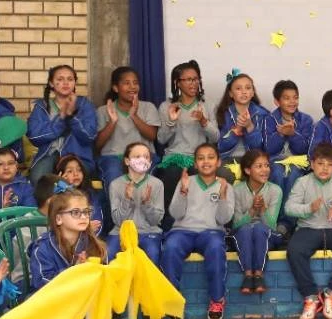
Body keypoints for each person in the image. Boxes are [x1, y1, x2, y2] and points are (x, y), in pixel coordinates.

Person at [28, 188, 106, 319]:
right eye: (75, 212)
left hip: (83, 302)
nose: (83, 216)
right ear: (58, 219)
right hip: (50, 302)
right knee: (76, 311)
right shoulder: (42, 247)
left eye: (86, 212)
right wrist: (73, 273)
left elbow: (102, 277)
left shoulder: (93, 245)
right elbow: (41, 282)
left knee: (95, 307)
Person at [285, 143, 332, 319]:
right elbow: (289, 208)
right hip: (308, 228)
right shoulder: (302, 182)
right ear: (312, 164)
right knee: (294, 249)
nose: (325, 168)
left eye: (330, 165)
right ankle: (310, 297)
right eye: (320, 164)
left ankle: (331, 293)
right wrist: (309, 208)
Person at [162, 143, 232, 319]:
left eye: (210, 157)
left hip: (211, 232)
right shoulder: (186, 181)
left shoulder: (225, 185)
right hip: (183, 231)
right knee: (171, 247)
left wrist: (223, 196)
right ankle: (173, 301)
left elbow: (223, 219)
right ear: (195, 163)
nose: (206, 162)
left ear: (218, 162)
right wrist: (183, 191)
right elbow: (176, 214)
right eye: (201, 158)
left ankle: (217, 300)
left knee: (216, 248)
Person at [156, 60, 219, 223]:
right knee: (172, 174)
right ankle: (170, 223)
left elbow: (215, 138)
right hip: (174, 156)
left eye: (196, 79)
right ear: (178, 83)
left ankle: (202, 221)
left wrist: (204, 121)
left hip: (199, 158)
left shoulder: (207, 105)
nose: (194, 83)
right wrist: (171, 121)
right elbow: (161, 139)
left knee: (198, 174)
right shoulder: (167, 106)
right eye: (189, 79)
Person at [27, 64, 97, 182]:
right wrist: (61, 118)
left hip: (79, 156)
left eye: (70, 79)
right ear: (51, 83)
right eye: (60, 79)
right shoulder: (42, 106)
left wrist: (71, 117)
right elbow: (34, 136)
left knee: (74, 178)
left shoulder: (84, 104)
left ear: (74, 83)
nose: (66, 83)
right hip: (49, 154)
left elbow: (89, 136)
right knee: (38, 179)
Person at [94, 66, 160, 188]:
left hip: (143, 157)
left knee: (143, 186)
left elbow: (152, 136)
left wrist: (134, 116)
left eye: (135, 83)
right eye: (127, 83)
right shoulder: (103, 111)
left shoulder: (148, 107)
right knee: (114, 178)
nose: (132, 87)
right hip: (113, 158)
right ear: (115, 88)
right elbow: (97, 145)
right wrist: (112, 122)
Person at [231, 149, 281, 297]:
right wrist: (252, 210)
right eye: (259, 166)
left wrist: (263, 209)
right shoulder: (236, 190)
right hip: (243, 235)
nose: (265, 170)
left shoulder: (275, 190)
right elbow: (236, 224)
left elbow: (271, 225)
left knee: (259, 228)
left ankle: (258, 275)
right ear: (247, 170)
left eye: (267, 165)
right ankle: (248, 275)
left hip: (267, 234)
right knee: (245, 229)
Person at [106, 142, 164, 260]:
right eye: (137, 156)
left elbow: (155, 220)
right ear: (127, 161)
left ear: (150, 162)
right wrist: (127, 199)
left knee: (153, 254)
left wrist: (146, 203)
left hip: (148, 232)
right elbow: (117, 220)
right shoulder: (115, 184)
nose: (142, 160)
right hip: (121, 232)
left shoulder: (157, 184)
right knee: (109, 254)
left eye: (146, 157)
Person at [262, 79, 315, 201]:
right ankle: (276, 210)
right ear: (277, 102)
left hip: (298, 161)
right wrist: (280, 134)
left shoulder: (306, 120)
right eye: (287, 98)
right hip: (276, 160)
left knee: (293, 174)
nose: (292, 102)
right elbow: (268, 149)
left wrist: (293, 134)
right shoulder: (269, 119)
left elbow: (305, 149)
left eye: (295, 98)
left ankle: (289, 212)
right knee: (277, 173)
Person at [215, 71, 269, 179]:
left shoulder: (262, 114)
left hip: (253, 160)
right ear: (231, 93)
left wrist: (249, 127)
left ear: (253, 92)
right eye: (238, 89)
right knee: (223, 172)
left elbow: (260, 148)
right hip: (227, 158)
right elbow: (221, 147)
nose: (244, 92)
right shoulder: (223, 113)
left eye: (248, 88)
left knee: (255, 173)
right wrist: (237, 130)